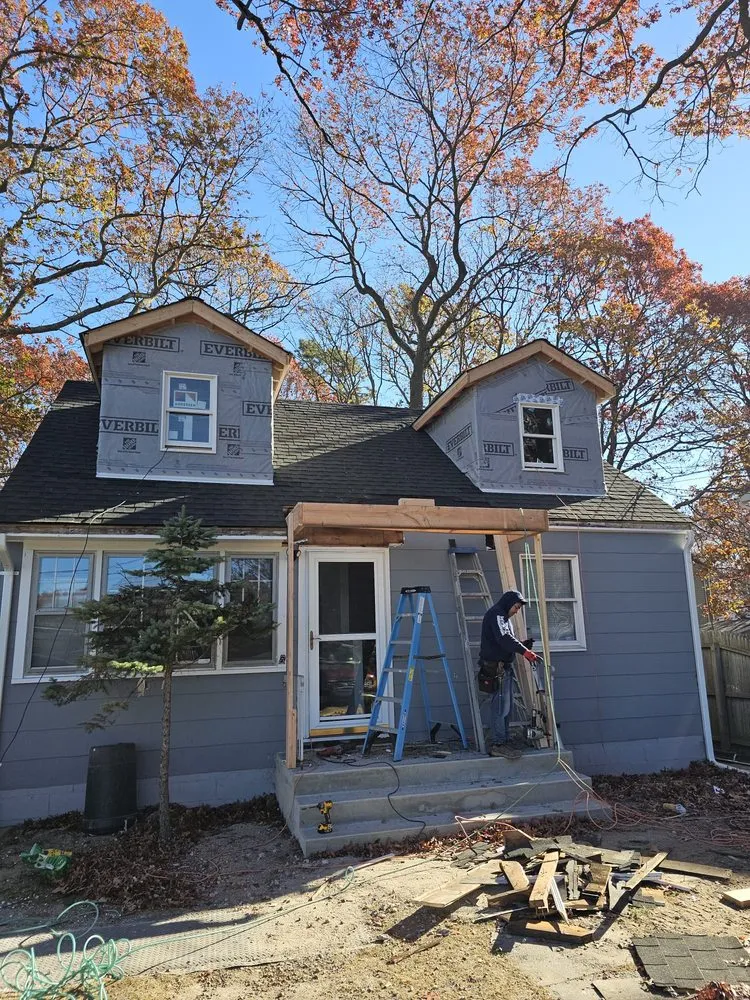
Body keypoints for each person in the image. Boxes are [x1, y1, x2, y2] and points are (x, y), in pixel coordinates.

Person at [478, 589, 540, 760]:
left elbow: (503, 642)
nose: (517, 610)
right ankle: (498, 744)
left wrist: (522, 645)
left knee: (506, 707)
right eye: (516, 606)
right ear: (508, 603)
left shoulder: (503, 618)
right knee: (500, 707)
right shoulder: (497, 614)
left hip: (503, 667)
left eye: (519, 608)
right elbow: (504, 638)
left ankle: (504, 740)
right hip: (495, 669)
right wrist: (525, 651)